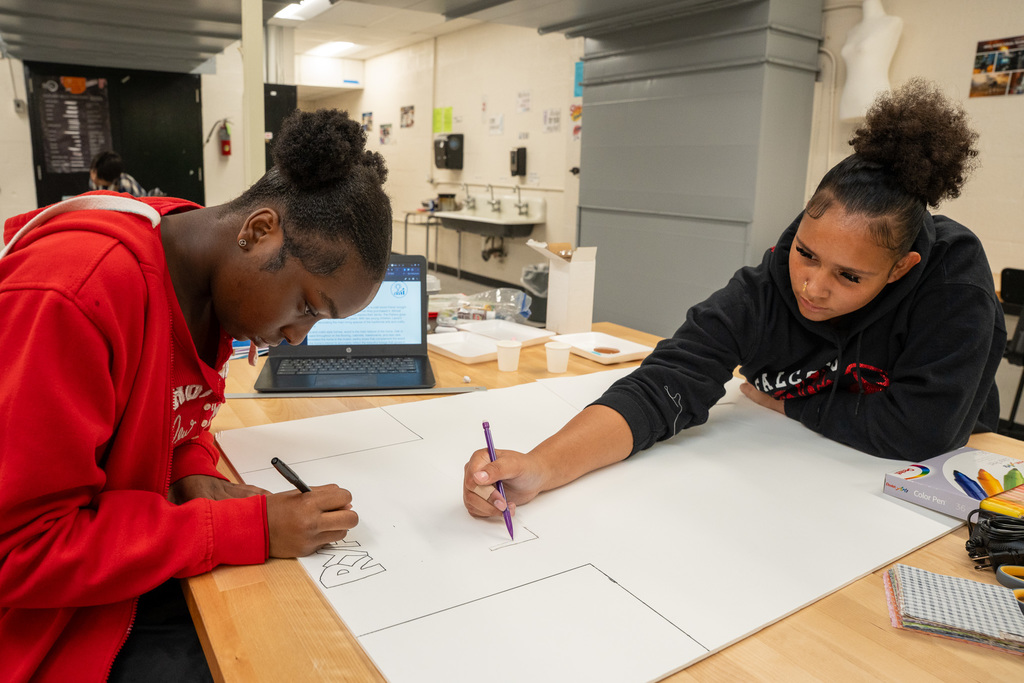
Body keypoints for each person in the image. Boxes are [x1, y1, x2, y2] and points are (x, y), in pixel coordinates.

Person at [463, 79, 1004, 522]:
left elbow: (924, 430)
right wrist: (541, 466)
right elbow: (662, 386)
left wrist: (793, 403)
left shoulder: (955, 287)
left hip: (923, 500)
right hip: (793, 479)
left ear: (899, 270)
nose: (813, 287)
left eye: (849, 276)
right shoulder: (766, 288)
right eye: (806, 254)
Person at [0, 109, 392, 682]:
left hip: (120, 568)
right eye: (307, 306)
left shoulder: (207, 273)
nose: (294, 338)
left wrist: (189, 468)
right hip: (52, 622)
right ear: (259, 232)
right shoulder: (72, 296)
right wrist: (247, 530)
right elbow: (22, 550)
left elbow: (164, 403)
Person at [839, 0, 903, 121]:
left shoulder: (892, 22)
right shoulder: (852, 31)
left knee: (875, 136)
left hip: (873, 94)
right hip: (848, 97)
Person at [89, 149, 154, 196]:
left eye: (99, 176)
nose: (93, 177)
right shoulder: (93, 182)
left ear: (110, 177)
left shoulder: (125, 184)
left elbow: (140, 205)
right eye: (93, 171)